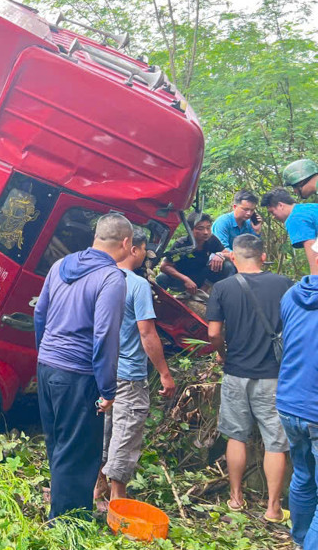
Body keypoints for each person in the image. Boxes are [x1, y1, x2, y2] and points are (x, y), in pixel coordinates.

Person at [33, 213, 131, 520]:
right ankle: (68, 523)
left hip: (47, 366)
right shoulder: (111, 278)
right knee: (78, 450)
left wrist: (45, 354)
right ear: (126, 242)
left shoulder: (60, 265)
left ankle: (60, 512)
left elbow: (39, 314)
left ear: (96, 237)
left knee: (59, 443)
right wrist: (108, 389)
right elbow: (105, 335)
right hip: (78, 374)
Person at [206, 234, 291, 521]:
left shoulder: (222, 287)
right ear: (263, 256)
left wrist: (222, 354)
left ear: (233, 257)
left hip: (236, 372)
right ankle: (273, 508)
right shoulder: (284, 284)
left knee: (236, 436)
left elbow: (213, 333)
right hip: (274, 375)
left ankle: (235, 499)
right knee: (275, 441)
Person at [97, 229, 176, 502]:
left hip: (100, 371)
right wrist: (165, 373)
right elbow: (147, 333)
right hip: (129, 375)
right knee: (126, 432)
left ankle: (97, 488)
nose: (145, 256)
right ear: (132, 248)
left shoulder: (98, 278)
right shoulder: (137, 285)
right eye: (143, 250)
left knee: (102, 431)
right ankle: (117, 499)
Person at [278, 275, 318, 550]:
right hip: (314, 406)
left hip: (289, 401)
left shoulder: (292, 294)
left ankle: (300, 540)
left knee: (303, 476)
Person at [156, 212, 234, 293]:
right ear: (190, 229)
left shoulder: (212, 240)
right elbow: (164, 266)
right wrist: (185, 279)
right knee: (162, 278)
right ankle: (160, 299)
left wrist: (220, 255)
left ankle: (216, 293)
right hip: (181, 280)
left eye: (208, 228)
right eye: (200, 228)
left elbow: (231, 255)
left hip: (202, 278)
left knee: (227, 265)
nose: (206, 232)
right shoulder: (181, 244)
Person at [261, 188, 318, 276]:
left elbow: (312, 247)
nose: (273, 217)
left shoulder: (294, 218)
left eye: (272, 212)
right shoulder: (309, 207)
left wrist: (314, 278)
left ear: (280, 205)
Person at [212, 190, 263, 258]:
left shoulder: (249, 223)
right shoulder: (222, 222)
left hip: (241, 258)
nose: (249, 213)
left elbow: (254, 248)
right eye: (245, 209)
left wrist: (256, 231)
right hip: (222, 258)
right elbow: (222, 250)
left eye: (252, 210)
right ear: (235, 207)